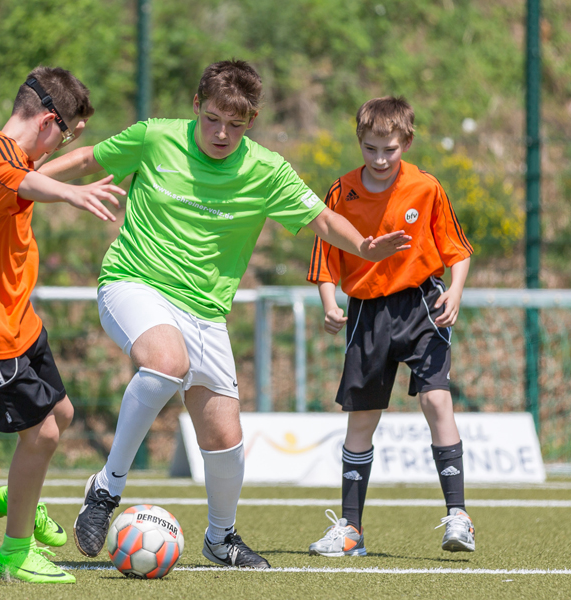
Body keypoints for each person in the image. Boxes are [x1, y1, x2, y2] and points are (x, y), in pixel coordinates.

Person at [38, 59, 411, 569]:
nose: (221, 132)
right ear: (196, 106)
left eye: (235, 124)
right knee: (165, 362)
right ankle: (106, 489)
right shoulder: (155, 137)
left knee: (225, 439)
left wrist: (364, 248)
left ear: (252, 120)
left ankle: (220, 538)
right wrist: (26, 180)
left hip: (205, 313)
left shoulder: (267, 170)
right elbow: (85, 160)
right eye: (213, 118)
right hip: (134, 283)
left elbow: (323, 218)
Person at [0, 66, 124, 584]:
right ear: (44, 121)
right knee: (40, 433)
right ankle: (15, 551)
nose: (63, 141)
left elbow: (34, 170)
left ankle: (20, 494)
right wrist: (72, 194)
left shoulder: (16, 153)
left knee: (59, 414)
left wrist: (74, 153)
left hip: (17, 320)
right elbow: (26, 181)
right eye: (62, 131)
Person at [305, 96, 475, 558]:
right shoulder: (341, 192)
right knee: (362, 420)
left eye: (390, 149)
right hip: (365, 313)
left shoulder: (426, 187)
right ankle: (350, 530)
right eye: (370, 148)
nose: (380, 159)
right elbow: (325, 256)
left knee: (438, 400)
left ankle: (459, 517)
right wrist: (328, 303)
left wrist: (455, 291)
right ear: (359, 142)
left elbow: (456, 250)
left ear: (406, 143)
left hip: (422, 306)